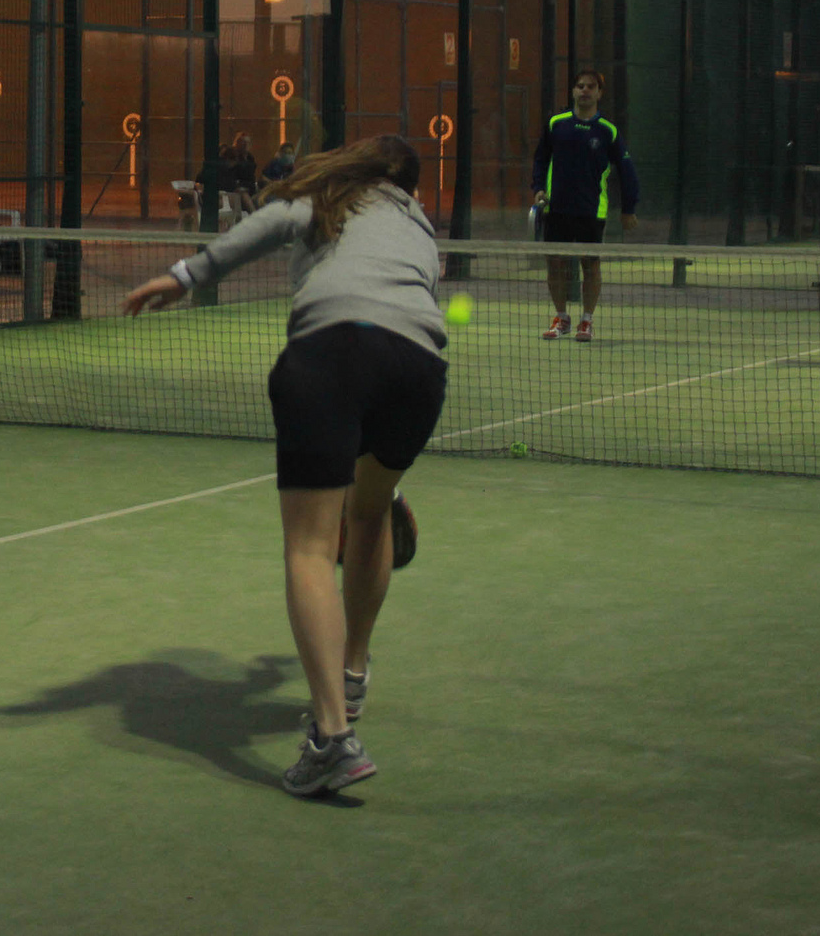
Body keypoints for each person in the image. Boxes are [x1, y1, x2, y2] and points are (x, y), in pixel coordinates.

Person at [122, 135, 447, 797]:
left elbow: (268, 223)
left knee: (310, 547)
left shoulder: (329, 194)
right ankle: (352, 673)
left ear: (356, 165)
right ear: (410, 186)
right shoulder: (419, 224)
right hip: (420, 369)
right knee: (370, 510)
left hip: (329, 354)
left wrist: (185, 275)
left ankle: (333, 738)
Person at [528, 69, 640, 342]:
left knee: (590, 265)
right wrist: (538, 187)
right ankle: (561, 318)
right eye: (580, 86)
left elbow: (627, 171)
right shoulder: (557, 124)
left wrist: (629, 208)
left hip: (591, 211)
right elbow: (541, 159)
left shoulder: (608, 131)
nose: (585, 91)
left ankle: (586, 321)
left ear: (599, 93)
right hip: (556, 208)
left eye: (590, 87)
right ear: (573, 91)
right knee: (555, 264)